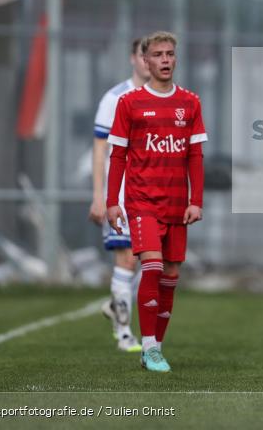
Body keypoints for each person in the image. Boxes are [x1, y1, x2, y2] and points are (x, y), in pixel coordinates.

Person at [106, 31, 207, 373]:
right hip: (142, 202)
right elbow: (117, 155)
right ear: (145, 61)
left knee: (171, 275)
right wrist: (111, 202)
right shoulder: (129, 103)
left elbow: (195, 154)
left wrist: (196, 200)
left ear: (175, 59)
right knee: (151, 265)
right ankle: (148, 348)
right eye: (158, 54)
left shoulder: (190, 102)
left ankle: (156, 346)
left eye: (170, 54)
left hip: (177, 205)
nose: (165, 59)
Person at [89, 38, 151, 353]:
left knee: (153, 260)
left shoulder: (167, 98)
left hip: (155, 193)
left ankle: (117, 304)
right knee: (127, 257)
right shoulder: (115, 99)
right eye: (145, 55)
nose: (149, 61)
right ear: (133, 58)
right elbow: (101, 150)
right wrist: (100, 196)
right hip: (124, 192)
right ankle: (125, 331)